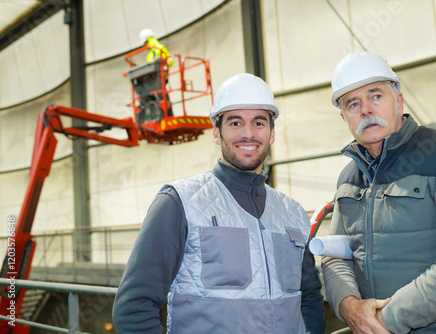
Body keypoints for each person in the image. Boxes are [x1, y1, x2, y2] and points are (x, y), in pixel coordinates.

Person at [113, 73, 326, 333]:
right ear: (217, 133)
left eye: (259, 123)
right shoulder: (179, 203)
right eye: (235, 123)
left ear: (271, 134)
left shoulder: (293, 213)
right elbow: (133, 309)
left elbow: (310, 299)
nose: (248, 134)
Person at [321, 51, 436, 333]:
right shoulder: (348, 178)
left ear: (398, 101)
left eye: (376, 96)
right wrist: (349, 306)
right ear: (344, 117)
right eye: (353, 103)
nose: (366, 109)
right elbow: (335, 255)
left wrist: (386, 320)